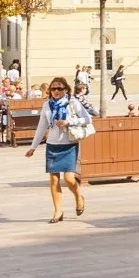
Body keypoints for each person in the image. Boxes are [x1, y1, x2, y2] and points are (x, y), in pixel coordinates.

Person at [25, 76, 90, 223]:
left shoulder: (73, 103)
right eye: (53, 89)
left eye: (59, 88)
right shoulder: (47, 105)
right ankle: (57, 211)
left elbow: (87, 119)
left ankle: (78, 195)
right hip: (52, 145)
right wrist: (33, 147)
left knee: (68, 178)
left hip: (69, 143)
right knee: (54, 180)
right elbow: (41, 127)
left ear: (66, 90)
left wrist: (69, 122)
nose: (56, 91)